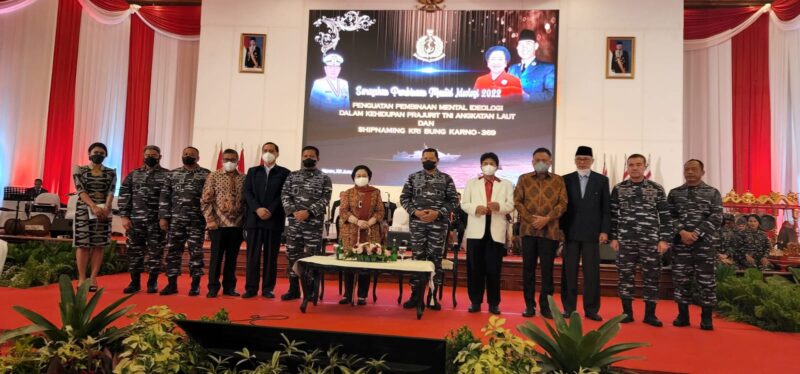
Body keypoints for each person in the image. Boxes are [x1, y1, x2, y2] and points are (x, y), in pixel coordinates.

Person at [610, 154, 671, 327]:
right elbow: (613, 215)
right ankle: (626, 313)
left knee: (652, 277)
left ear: (645, 166)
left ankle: (650, 315)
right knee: (624, 277)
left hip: (650, 241)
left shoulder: (656, 188)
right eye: (631, 165)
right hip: (625, 241)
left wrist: (664, 240)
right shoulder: (619, 188)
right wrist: (614, 237)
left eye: (638, 164)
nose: (634, 168)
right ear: (627, 167)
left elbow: (665, 216)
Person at [400, 148, 459, 310]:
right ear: (421, 160)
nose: (428, 160)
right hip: (418, 226)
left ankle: (432, 296)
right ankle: (415, 295)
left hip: (438, 226)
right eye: (425, 158)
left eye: (431, 158)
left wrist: (438, 213)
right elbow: (404, 198)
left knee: (435, 260)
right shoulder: (413, 177)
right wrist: (415, 212)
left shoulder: (446, 179)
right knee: (417, 259)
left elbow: (454, 201)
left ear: (437, 160)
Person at [667, 159, 723, 331]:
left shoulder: (712, 192)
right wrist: (682, 232)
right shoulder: (675, 193)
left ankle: (706, 318)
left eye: (694, 169)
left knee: (706, 281)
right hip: (681, 243)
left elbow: (716, 217)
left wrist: (696, 234)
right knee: (681, 280)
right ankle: (682, 316)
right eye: (687, 169)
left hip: (704, 245)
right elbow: (668, 216)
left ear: (702, 172)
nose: (690, 172)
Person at [514, 147, 567, 319]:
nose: (541, 163)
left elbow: (562, 204)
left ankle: (546, 307)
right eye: (537, 160)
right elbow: (518, 202)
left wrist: (546, 219)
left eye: (544, 160)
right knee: (528, 270)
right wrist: (532, 219)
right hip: (528, 231)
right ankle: (529, 305)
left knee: (547, 271)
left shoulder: (558, 180)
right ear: (532, 161)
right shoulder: (524, 179)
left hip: (550, 232)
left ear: (550, 162)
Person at [559, 146, 610, 321]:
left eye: (585, 159)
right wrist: (560, 230)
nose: (582, 162)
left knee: (592, 273)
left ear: (592, 161)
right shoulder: (565, 180)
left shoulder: (602, 180)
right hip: (570, 232)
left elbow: (605, 209)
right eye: (579, 159)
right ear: (575, 160)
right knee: (569, 272)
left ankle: (591, 309)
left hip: (592, 233)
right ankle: (568, 308)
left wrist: (604, 230)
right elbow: (561, 208)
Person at [460, 152, 514, 315]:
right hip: (476, 228)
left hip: (495, 228)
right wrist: (475, 208)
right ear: (481, 165)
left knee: (493, 269)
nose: (488, 165)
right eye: (485, 162)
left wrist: (499, 207)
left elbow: (511, 204)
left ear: (497, 166)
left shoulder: (506, 184)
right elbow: (464, 204)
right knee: (474, 268)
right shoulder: (471, 183)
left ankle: (493, 303)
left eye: (491, 163)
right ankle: (475, 301)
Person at [280, 146, 332, 300]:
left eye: (312, 155)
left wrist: (308, 212)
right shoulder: (292, 176)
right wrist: (294, 211)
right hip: (295, 224)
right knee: (292, 256)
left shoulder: (324, 178)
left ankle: (311, 291)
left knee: (312, 258)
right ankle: (293, 289)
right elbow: (285, 195)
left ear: (318, 158)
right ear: (302, 157)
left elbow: (325, 199)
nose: (308, 157)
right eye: (305, 155)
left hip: (313, 225)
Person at [159, 147, 211, 296]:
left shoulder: (206, 175)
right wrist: (163, 217)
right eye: (186, 154)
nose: (188, 156)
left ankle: (195, 285)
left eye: (192, 155)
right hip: (176, 221)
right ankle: (171, 284)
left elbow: (209, 199)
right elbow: (165, 196)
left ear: (198, 158)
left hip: (197, 221)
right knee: (173, 253)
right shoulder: (173, 174)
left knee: (196, 253)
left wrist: (209, 219)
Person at [118, 145, 169, 294]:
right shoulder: (134, 174)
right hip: (136, 221)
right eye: (147, 155)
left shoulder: (167, 175)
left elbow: (168, 198)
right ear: (143, 156)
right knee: (134, 252)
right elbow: (124, 195)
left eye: (154, 155)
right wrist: (124, 216)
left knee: (156, 253)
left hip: (157, 222)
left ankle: (152, 283)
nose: (150, 157)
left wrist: (164, 217)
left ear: (160, 157)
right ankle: (134, 283)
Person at [242, 142, 290, 299]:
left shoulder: (284, 173)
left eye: (271, 150)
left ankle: (268, 288)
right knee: (252, 256)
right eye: (265, 150)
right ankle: (251, 288)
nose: (268, 153)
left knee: (271, 257)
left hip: (273, 219)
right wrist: (257, 209)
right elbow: (247, 192)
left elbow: (283, 194)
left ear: (277, 153)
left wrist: (270, 209)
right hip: (254, 220)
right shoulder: (253, 171)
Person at [202, 149, 246, 298]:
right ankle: (213, 287)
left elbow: (246, 202)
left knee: (232, 258)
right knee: (216, 257)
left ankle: (229, 287)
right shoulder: (213, 176)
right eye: (226, 159)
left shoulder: (244, 178)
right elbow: (205, 201)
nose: (229, 162)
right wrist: (210, 220)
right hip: (218, 225)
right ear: (222, 160)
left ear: (238, 161)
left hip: (237, 225)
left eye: (233, 159)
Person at [338, 165, 385, 305]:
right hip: (350, 233)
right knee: (349, 264)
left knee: (366, 263)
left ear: (369, 177)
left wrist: (368, 223)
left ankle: (362, 296)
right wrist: (357, 221)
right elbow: (343, 212)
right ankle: (348, 295)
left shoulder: (376, 192)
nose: (361, 178)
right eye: (358, 175)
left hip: (371, 232)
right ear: (353, 177)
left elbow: (380, 212)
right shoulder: (347, 193)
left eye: (364, 175)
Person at [72, 142, 116, 292]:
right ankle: (82, 278)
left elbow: (111, 191)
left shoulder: (111, 172)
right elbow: (80, 190)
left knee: (99, 244)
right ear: (89, 153)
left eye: (102, 153)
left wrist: (107, 207)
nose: (99, 155)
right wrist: (93, 206)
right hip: (85, 209)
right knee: (83, 244)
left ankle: (93, 278)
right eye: (96, 152)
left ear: (106, 156)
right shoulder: (80, 170)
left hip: (104, 211)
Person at [507, 29, 555, 102]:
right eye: (521, 44)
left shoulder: (548, 68)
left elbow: (552, 95)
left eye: (528, 44)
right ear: (517, 48)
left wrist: (528, 97)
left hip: (534, 112)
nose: (524, 48)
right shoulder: (512, 69)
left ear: (536, 46)